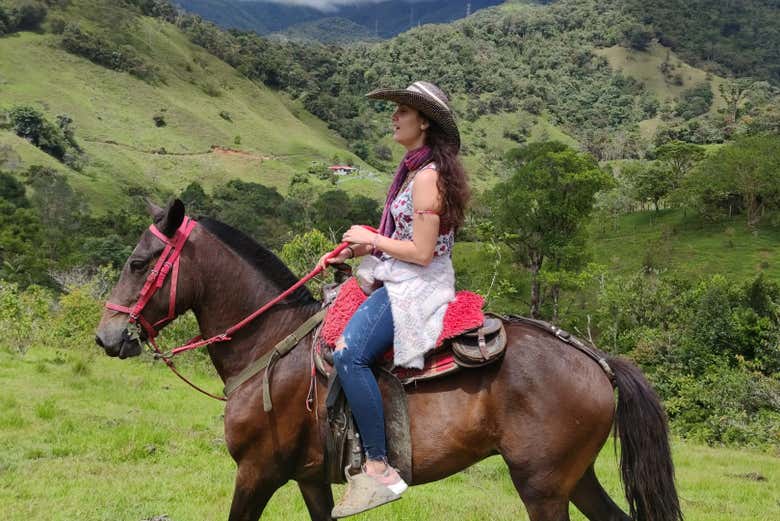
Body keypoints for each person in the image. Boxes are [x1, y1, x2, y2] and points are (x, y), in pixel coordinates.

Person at [317, 81, 470, 518]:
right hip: (398, 272)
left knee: (349, 354)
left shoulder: (426, 178)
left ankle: (379, 467)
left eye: (402, 110)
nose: (394, 117)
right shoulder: (414, 170)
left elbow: (422, 253)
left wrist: (372, 238)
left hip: (416, 283)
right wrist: (364, 247)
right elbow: (404, 239)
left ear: (424, 121)